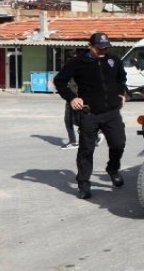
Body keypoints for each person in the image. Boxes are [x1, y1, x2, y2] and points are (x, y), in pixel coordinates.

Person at [53, 32, 127, 199]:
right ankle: (84, 183)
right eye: (99, 48)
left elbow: (121, 79)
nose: (103, 51)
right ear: (90, 46)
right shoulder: (77, 62)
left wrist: (123, 93)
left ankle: (113, 169)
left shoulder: (113, 60)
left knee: (118, 144)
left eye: (105, 48)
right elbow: (59, 81)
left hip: (112, 113)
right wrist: (72, 98)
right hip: (89, 113)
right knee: (86, 150)